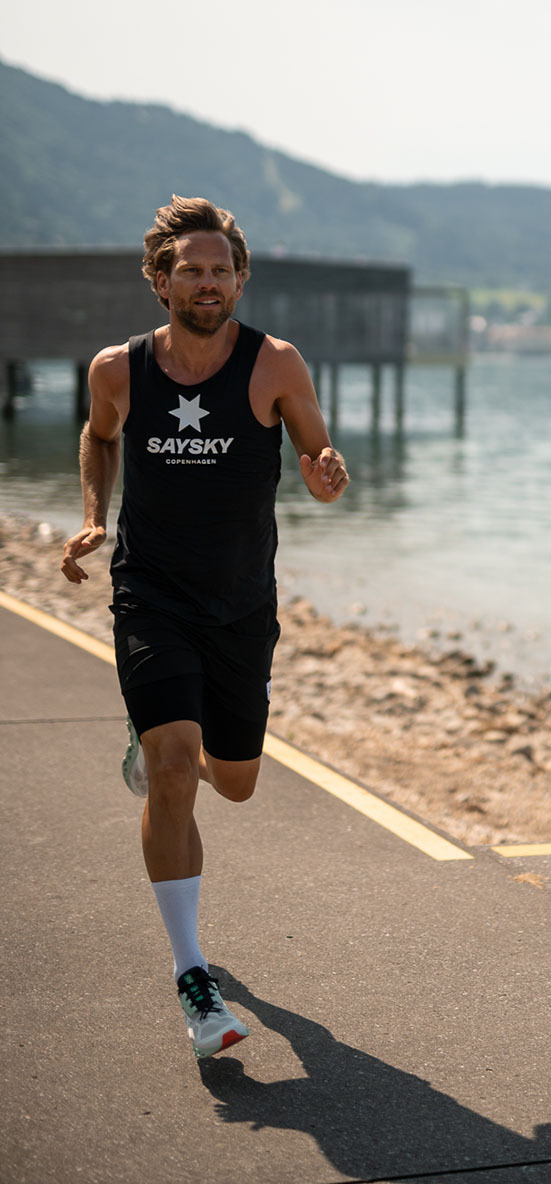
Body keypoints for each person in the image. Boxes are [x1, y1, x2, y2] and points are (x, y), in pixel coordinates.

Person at [61, 195, 349, 1059]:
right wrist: (93, 516)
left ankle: (162, 743)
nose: (207, 281)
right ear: (161, 281)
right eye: (190, 269)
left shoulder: (275, 365)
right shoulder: (118, 370)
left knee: (236, 782)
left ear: (241, 278)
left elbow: (317, 456)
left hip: (240, 605)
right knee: (175, 768)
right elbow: (99, 437)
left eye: (221, 269)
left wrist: (326, 475)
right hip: (151, 594)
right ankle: (194, 979)